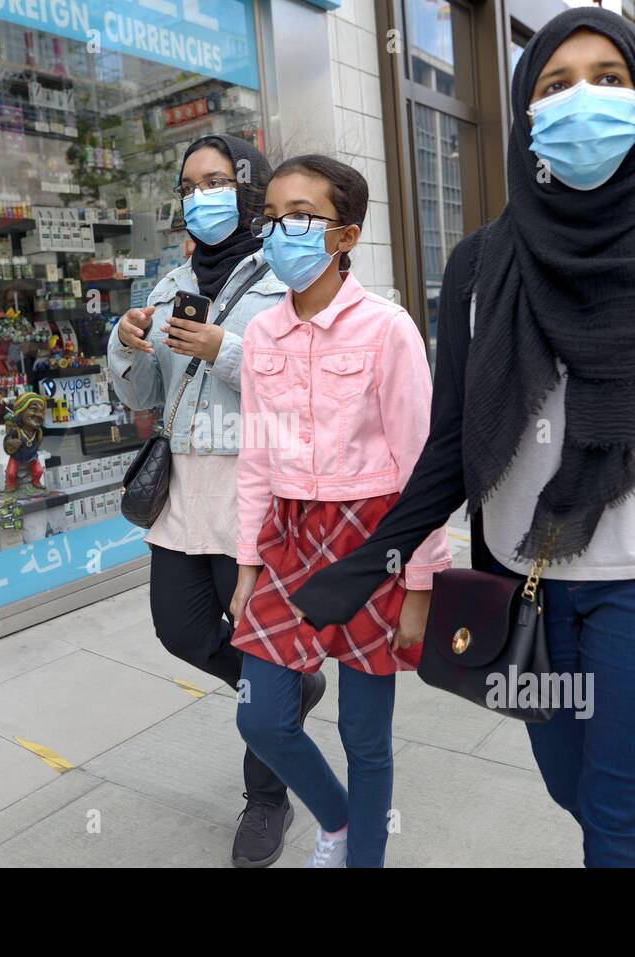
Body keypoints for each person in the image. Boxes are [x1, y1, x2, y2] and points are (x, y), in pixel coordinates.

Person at [288, 7, 635, 868]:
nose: (581, 99)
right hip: (525, 588)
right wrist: (375, 558)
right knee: (575, 792)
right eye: (555, 85)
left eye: (608, 79)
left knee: (623, 827)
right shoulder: (482, 264)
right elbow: (451, 441)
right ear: (526, 112)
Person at [107, 134, 325, 867]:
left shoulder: (285, 276)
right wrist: (126, 343)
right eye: (191, 182)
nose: (203, 194)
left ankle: (267, 797)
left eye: (218, 180)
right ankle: (285, 694)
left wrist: (222, 350)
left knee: (261, 646)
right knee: (180, 628)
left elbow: (304, 388)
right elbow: (142, 397)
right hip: (181, 491)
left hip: (254, 488)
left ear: (247, 187)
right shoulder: (169, 286)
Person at [229, 155, 451, 869]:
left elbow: (422, 464)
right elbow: (256, 457)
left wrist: (421, 583)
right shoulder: (262, 335)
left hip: (373, 541)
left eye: (300, 215)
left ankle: (366, 859)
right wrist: (245, 562)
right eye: (271, 216)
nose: (279, 230)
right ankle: (337, 819)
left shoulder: (388, 329)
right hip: (290, 538)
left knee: (365, 736)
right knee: (261, 715)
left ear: (346, 235)